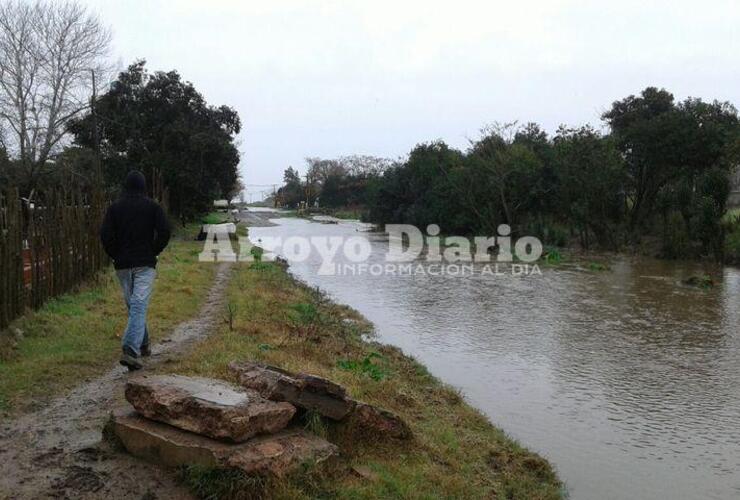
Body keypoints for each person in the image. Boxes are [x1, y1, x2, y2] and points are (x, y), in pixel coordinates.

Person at [100, 171, 171, 371]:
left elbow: (105, 235)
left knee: (135, 305)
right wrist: (153, 251)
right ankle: (131, 350)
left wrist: (115, 254)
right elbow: (165, 231)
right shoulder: (153, 207)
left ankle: (141, 345)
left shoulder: (114, 209)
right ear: (143, 186)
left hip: (122, 265)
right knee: (137, 305)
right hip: (145, 264)